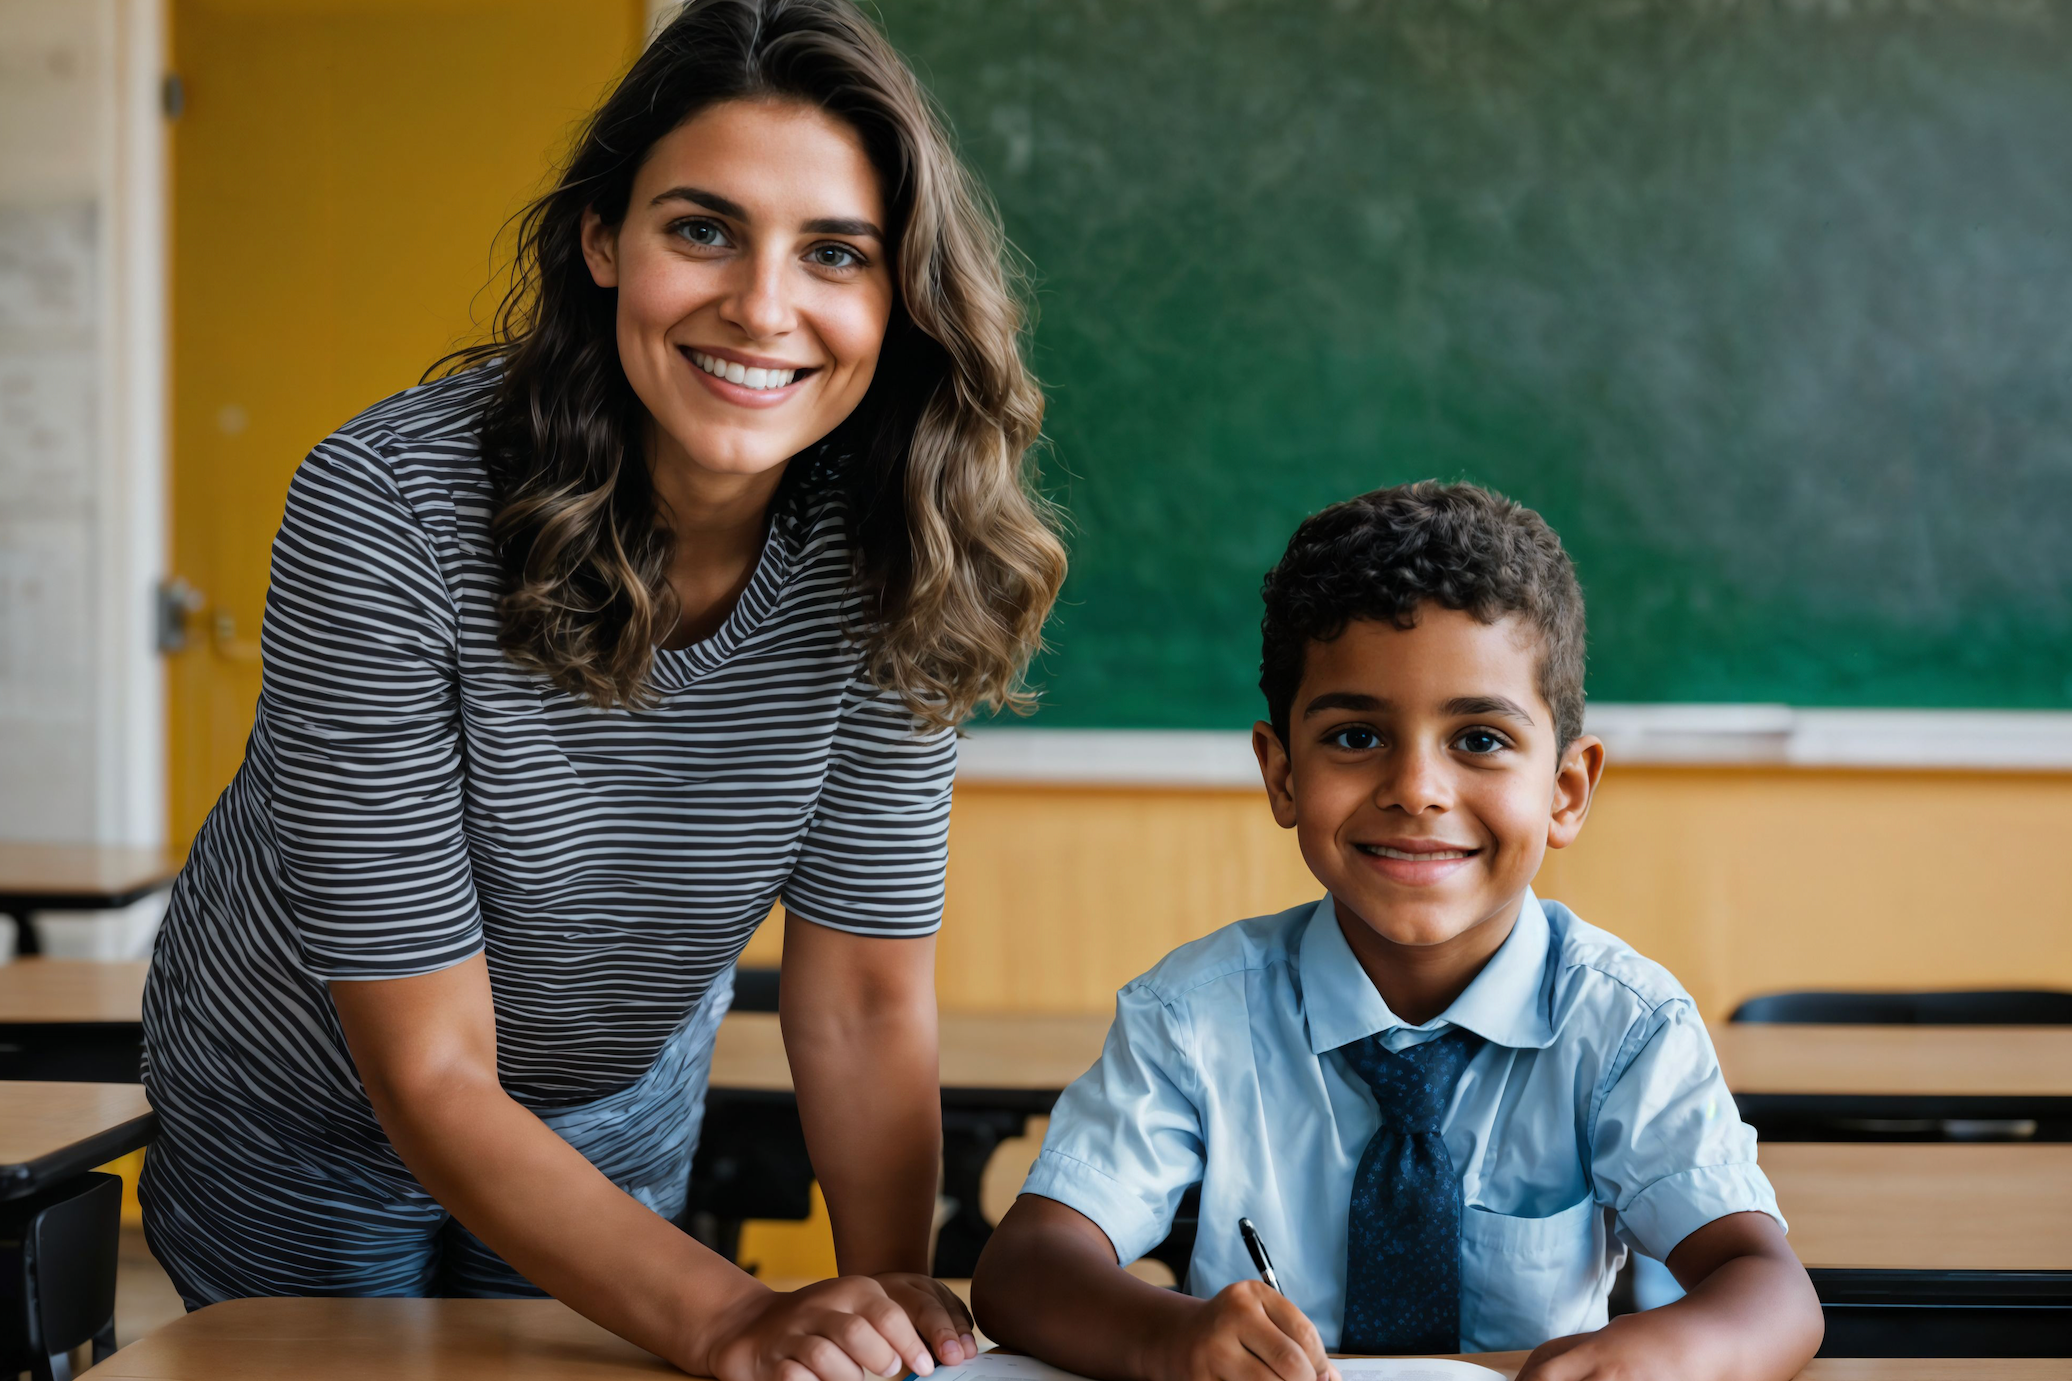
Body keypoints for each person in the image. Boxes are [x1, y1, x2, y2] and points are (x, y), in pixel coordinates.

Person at [139, 2, 1065, 1377]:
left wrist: (889, 1308)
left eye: (835, 255)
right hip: (306, 1106)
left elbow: (863, 1001)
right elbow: (430, 1067)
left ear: (900, 297)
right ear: (601, 241)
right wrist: (738, 1311)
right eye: (702, 228)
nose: (762, 305)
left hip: (605, 1106)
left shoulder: (898, 543)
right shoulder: (384, 506)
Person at [971, 484, 1822, 1379]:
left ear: (1567, 790)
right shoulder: (1193, 1018)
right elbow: (1025, 1268)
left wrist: (1672, 1351)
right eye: (1355, 736)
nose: (1417, 788)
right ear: (1281, 772)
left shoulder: (1623, 1027)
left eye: (1482, 739)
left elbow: (1766, 1284)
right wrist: (1168, 1335)